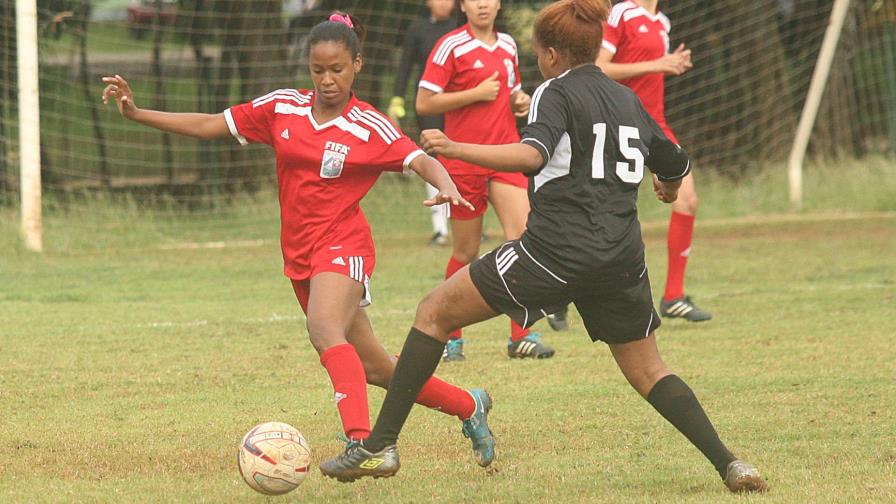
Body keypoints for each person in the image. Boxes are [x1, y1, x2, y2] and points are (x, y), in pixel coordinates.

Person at [319, 0, 767, 493]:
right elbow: (674, 159)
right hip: (621, 257)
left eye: (539, 53)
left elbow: (532, 156)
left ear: (551, 54)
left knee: (432, 312)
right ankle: (730, 463)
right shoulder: (624, 97)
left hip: (554, 253)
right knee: (648, 370)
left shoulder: (554, 91)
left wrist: (455, 147)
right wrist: (666, 185)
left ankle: (380, 445)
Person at [101, 12, 497, 469]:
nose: (328, 80)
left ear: (357, 66)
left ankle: (365, 445)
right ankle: (470, 405)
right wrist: (136, 113)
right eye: (318, 70)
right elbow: (211, 124)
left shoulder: (369, 124)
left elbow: (415, 158)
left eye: (338, 70)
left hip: (344, 245)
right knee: (376, 368)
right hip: (300, 253)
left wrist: (445, 183)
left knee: (324, 329)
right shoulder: (282, 108)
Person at [417, 0, 556, 361]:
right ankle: (451, 337)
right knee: (465, 253)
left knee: (524, 241)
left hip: (506, 156)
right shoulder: (451, 45)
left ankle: (521, 335)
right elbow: (424, 103)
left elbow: (509, 95)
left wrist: (520, 101)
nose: (482, 4)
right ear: (463, 5)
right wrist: (474, 94)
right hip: (463, 159)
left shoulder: (508, 45)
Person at [595, 0, 711, 322]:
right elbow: (599, 67)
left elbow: (653, 72)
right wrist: (658, 64)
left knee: (687, 199)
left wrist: (669, 64)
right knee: (598, 209)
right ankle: (562, 294)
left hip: (654, 122)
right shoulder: (621, 13)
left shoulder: (663, 22)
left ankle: (674, 296)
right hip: (616, 122)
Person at [387, 0, 458, 247]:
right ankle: (440, 229)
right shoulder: (417, 28)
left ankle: (466, 221)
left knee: (462, 161)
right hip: (428, 106)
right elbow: (405, 66)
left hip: (459, 106)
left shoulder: (461, 26)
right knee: (433, 160)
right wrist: (397, 98)